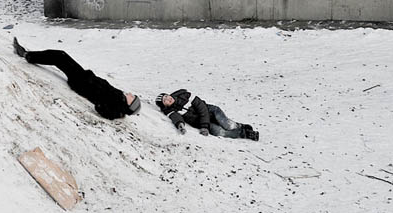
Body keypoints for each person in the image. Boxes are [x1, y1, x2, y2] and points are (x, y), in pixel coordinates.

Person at [13, 38, 141, 120]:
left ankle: (26, 55)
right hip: (85, 77)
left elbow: (100, 108)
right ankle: (28, 55)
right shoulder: (120, 98)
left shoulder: (116, 108)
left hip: (81, 82)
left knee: (60, 56)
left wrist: (95, 91)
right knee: (60, 56)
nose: (130, 94)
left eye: (132, 97)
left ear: (129, 105)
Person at [155, 89, 259, 141]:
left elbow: (202, 109)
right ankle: (244, 134)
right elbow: (175, 117)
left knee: (227, 125)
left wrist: (204, 126)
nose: (168, 99)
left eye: (166, 96)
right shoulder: (172, 111)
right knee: (219, 131)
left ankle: (240, 126)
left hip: (211, 111)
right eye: (165, 101)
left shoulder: (185, 96)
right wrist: (180, 125)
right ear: (166, 106)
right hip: (202, 123)